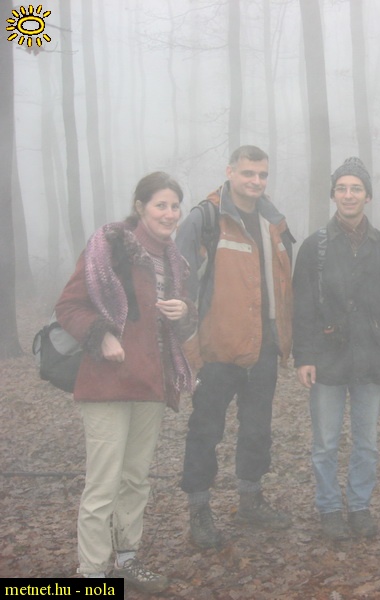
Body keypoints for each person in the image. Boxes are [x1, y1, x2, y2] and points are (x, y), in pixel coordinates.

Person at [56, 172, 197, 593]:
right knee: (103, 482)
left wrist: (184, 311)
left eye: (175, 206)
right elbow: (69, 305)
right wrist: (102, 335)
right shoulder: (110, 246)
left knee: (136, 478)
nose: (169, 214)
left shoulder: (175, 261)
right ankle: (92, 574)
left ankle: (127, 558)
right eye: (160, 205)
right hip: (107, 384)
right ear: (140, 207)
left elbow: (180, 327)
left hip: (151, 384)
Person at [177, 145, 295, 549]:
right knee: (205, 430)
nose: (256, 181)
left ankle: (250, 498)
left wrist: (284, 340)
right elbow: (181, 288)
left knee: (258, 429)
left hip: (263, 348)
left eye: (262, 175)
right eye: (248, 173)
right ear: (230, 172)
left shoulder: (272, 221)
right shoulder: (205, 219)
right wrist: (190, 349)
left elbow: (283, 285)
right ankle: (199, 509)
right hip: (216, 351)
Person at [292, 157, 380, 540]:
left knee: (367, 442)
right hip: (327, 358)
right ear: (333, 195)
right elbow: (303, 306)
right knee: (325, 443)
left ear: (367, 196)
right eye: (341, 188)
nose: (348, 195)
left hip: (372, 358)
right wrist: (304, 357)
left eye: (356, 188)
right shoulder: (315, 247)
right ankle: (328, 508)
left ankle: (359, 506)